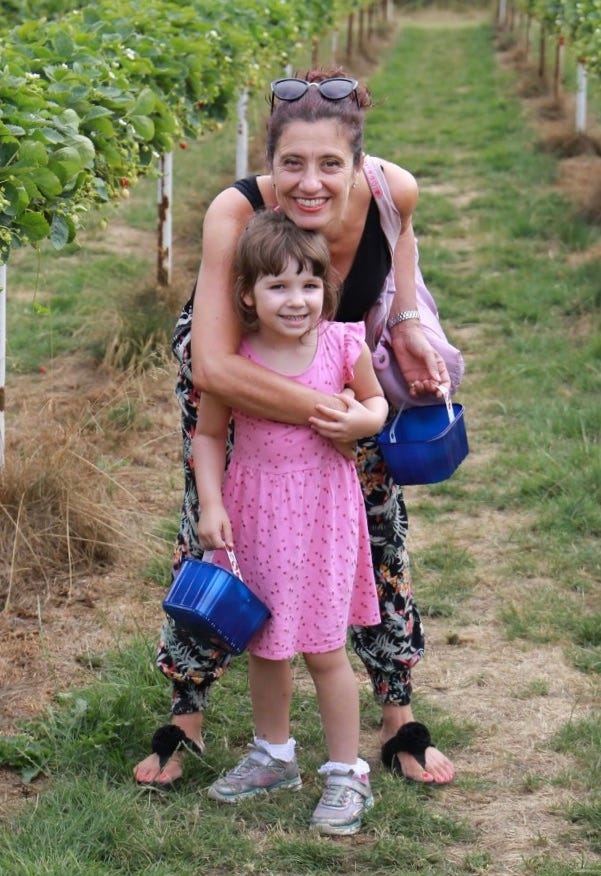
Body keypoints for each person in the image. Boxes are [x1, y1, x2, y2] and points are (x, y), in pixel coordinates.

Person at [133, 67, 455, 791]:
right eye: (291, 164)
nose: (309, 183)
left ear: (360, 164)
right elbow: (214, 364)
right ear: (268, 163)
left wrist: (407, 329)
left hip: (338, 370)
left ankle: (396, 714)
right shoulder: (236, 211)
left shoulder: (393, 193)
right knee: (212, 532)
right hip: (238, 373)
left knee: (379, 530)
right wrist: (331, 417)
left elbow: (401, 268)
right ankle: (187, 712)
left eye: (330, 164)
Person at [194, 209, 388, 834]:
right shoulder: (236, 359)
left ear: (325, 288)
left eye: (308, 283)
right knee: (266, 645)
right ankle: (274, 756)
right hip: (256, 511)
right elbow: (208, 434)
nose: (297, 299)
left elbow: (377, 403)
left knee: (326, 649)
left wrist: (363, 419)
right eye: (277, 285)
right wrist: (211, 503)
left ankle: (346, 772)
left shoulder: (341, 345)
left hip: (323, 514)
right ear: (248, 295)